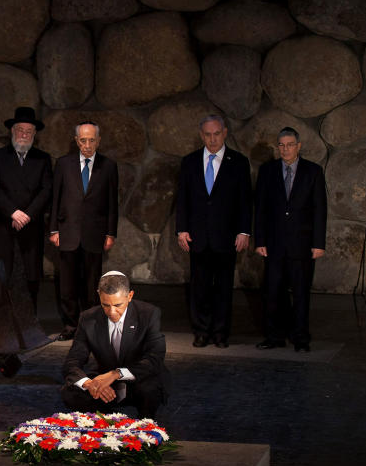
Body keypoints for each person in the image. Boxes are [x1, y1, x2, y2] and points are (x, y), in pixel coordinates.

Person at [175, 115, 251, 348]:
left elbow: (245, 201)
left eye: (216, 134)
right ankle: (201, 331)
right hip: (197, 236)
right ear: (201, 136)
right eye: (207, 134)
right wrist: (182, 230)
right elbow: (183, 199)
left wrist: (244, 231)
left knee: (224, 288)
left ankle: (220, 333)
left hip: (226, 237)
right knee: (199, 287)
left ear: (225, 133)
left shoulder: (238, 162)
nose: (212, 139)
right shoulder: (190, 161)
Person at [254, 127, 327, 352]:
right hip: (274, 244)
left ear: (299, 146)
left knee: (301, 292)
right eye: (282, 145)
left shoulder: (313, 172)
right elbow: (261, 209)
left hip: (303, 244)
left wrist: (318, 243)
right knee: (273, 291)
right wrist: (260, 241)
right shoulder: (267, 171)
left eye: (290, 145)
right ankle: (274, 336)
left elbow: (320, 209)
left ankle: (301, 338)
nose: (285, 149)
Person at [60, 271, 170, 419]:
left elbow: (154, 359)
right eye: (105, 305)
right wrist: (89, 384)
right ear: (99, 295)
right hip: (104, 380)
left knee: (150, 389)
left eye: (118, 305)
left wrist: (116, 374)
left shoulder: (149, 314)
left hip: (138, 378)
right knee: (69, 392)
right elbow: (72, 362)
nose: (112, 312)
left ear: (130, 296)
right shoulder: (88, 318)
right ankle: (106, 418)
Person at [49, 122, 118, 340]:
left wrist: (110, 233)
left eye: (91, 140)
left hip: (94, 234)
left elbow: (112, 202)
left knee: (91, 284)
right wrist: (53, 229)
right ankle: (70, 325)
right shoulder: (63, 164)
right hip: (67, 232)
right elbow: (55, 199)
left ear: (98, 141)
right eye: (83, 140)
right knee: (67, 283)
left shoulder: (108, 166)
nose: (87, 145)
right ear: (76, 140)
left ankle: (89, 326)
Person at [0, 107, 53, 311]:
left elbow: (46, 190)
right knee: (2, 272)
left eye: (28, 131)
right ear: (12, 131)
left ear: (34, 134)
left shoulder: (43, 158)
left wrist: (27, 215)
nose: (24, 135)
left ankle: (29, 318)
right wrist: (13, 212)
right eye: (20, 130)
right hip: (4, 225)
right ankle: (1, 317)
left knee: (30, 274)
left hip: (31, 227)